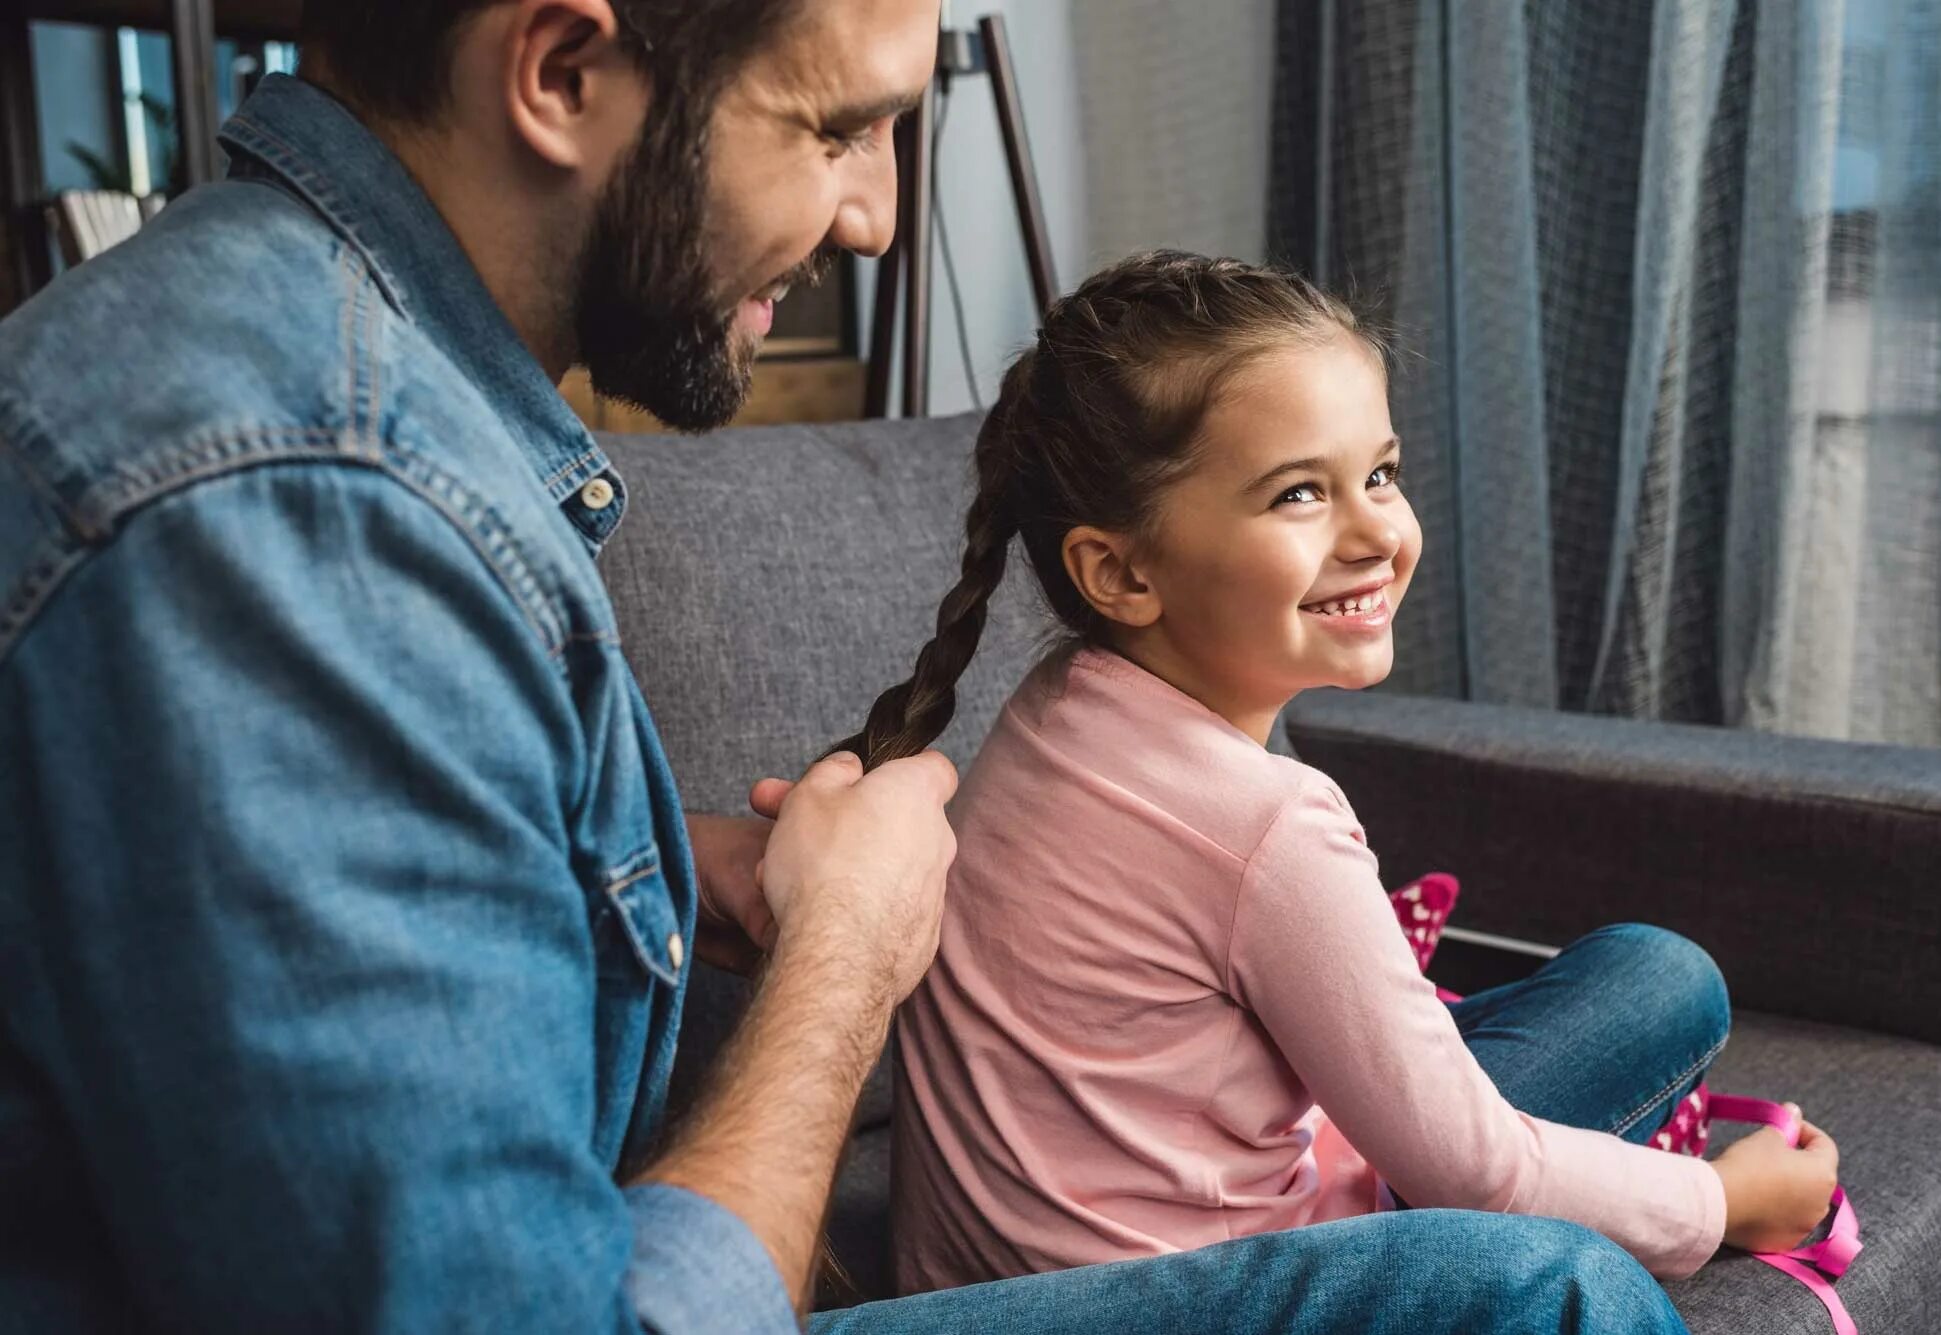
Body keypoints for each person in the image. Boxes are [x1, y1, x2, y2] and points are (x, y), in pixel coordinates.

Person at [0, 2, 1693, 1330]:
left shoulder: (349, 399)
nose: (878, 222)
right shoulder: (298, 500)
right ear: (564, 70)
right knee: (1547, 1289)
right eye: (838, 127)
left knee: (1639, 991)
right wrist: (845, 963)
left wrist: (663, 881)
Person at [837, 251, 1843, 1297]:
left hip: (994, 1287)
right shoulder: (1267, 823)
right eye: (1298, 495)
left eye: (1380, 474)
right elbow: (1471, 1172)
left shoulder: (1049, 709)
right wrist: (1723, 1202)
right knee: (1659, 981)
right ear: (1123, 572)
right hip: (1225, 1293)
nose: (1376, 533)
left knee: (1652, 974)